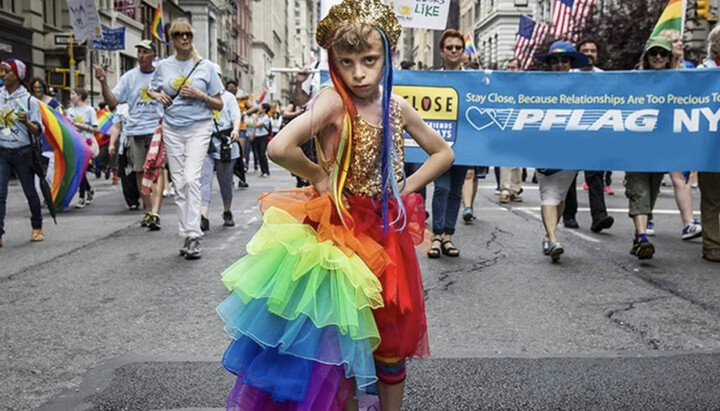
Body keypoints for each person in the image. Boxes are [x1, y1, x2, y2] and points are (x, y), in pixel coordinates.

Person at [216, 0, 454, 409]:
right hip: (339, 234)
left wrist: (404, 188)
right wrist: (318, 175)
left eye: (369, 60)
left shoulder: (396, 107)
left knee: (391, 340)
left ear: (386, 58)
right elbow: (278, 146)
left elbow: (442, 152)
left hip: (385, 235)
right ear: (333, 63)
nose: (359, 72)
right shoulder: (332, 102)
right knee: (339, 344)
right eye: (347, 62)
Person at [147, 18, 224, 259]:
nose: (184, 38)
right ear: (172, 40)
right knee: (179, 183)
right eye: (179, 34)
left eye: (188, 34)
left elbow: (219, 102)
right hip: (172, 127)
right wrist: (158, 95)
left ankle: (194, 235)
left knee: (191, 179)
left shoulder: (206, 67)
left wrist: (201, 95)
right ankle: (187, 234)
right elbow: (151, 88)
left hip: (199, 127)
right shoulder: (164, 66)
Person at [96, 39, 165, 230]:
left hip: (156, 130)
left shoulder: (161, 74)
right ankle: (149, 210)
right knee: (140, 171)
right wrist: (103, 82)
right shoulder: (129, 77)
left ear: (153, 55)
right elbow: (113, 102)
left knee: (156, 172)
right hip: (135, 131)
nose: (141, 56)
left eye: (146, 52)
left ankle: (155, 213)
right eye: (139, 52)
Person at [533, 41, 587, 262]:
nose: (560, 65)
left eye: (564, 60)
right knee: (549, 194)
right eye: (555, 61)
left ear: (571, 62)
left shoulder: (582, 85)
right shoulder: (538, 85)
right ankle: (554, 238)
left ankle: (548, 234)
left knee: (560, 196)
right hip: (544, 147)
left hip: (571, 150)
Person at [624, 37, 677, 260]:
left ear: (668, 58)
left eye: (663, 54)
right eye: (654, 52)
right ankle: (643, 236)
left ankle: (638, 236)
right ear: (646, 56)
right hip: (635, 146)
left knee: (651, 192)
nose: (658, 57)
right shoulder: (632, 80)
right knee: (639, 191)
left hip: (661, 148)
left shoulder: (678, 82)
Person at [655, 29, 703, 241]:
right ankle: (645, 217)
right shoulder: (653, 69)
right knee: (651, 177)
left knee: (680, 177)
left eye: (681, 40)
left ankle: (688, 223)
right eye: (675, 41)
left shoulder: (690, 68)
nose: (680, 44)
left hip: (680, 129)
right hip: (656, 130)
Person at [564, 38, 615, 234]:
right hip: (572, 131)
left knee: (595, 176)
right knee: (569, 175)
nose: (589, 53)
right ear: (578, 54)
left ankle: (599, 217)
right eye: (585, 50)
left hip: (595, 132)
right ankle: (569, 215)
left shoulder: (603, 77)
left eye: (593, 50)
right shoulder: (569, 76)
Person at [428, 28, 469, 258]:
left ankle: (448, 237)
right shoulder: (432, 79)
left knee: (455, 191)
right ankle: (436, 236)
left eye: (458, 47)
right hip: (438, 143)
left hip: (465, 143)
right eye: (449, 47)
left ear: (463, 52)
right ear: (441, 52)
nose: (454, 51)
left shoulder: (473, 79)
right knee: (441, 188)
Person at [0, 59, 45, 246]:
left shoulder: (29, 100)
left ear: (17, 75)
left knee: (29, 191)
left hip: (23, 153)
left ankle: (37, 227)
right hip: (2, 151)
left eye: (6, 71)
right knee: (0, 193)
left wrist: (27, 122)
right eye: (1, 71)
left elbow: (38, 130)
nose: (2, 75)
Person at [199, 65, 242, 231]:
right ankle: (204, 216)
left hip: (225, 144)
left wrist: (235, 130)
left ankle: (227, 211)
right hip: (206, 144)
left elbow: (236, 116)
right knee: (204, 180)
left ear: (220, 77)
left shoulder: (229, 97)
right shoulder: (201, 96)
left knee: (225, 182)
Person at [696, 26, 720, 262]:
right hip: (711, 147)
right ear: (714, 44)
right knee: (711, 198)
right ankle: (712, 244)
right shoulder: (703, 73)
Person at [66, 87, 99, 209]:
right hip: (74, 142)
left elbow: (96, 129)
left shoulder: (90, 110)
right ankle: (89, 189)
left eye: (73, 94)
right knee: (78, 170)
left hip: (86, 143)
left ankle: (81, 197)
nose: (71, 96)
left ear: (79, 95)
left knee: (81, 169)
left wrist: (82, 126)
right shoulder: (70, 110)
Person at [497, 58, 524, 204]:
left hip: (520, 124)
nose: (510, 70)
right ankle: (505, 190)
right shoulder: (503, 85)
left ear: (519, 69)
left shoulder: (524, 85)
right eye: (508, 67)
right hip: (506, 124)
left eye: (513, 67)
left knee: (517, 160)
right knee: (506, 159)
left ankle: (515, 189)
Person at [251, 102, 272, 177]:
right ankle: (263, 171)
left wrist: (254, 119)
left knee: (262, 153)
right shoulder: (259, 117)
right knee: (259, 154)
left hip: (264, 137)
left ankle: (266, 171)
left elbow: (257, 125)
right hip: (257, 136)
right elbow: (255, 127)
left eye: (261, 107)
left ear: (264, 109)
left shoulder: (266, 117)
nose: (259, 108)